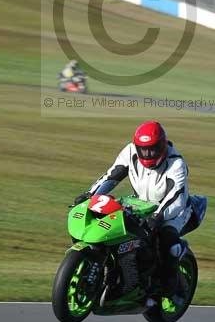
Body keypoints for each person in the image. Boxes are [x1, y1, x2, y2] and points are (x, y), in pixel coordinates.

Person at [73, 120, 193, 300]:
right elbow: (112, 175)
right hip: (141, 203)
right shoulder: (130, 151)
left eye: (152, 149)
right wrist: (90, 194)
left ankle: (170, 283)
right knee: (108, 221)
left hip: (173, 210)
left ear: (161, 146)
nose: (148, 153)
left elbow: (176, 196)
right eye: (143, 149)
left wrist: (157, 216)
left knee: (167, 239)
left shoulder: (176, 163)